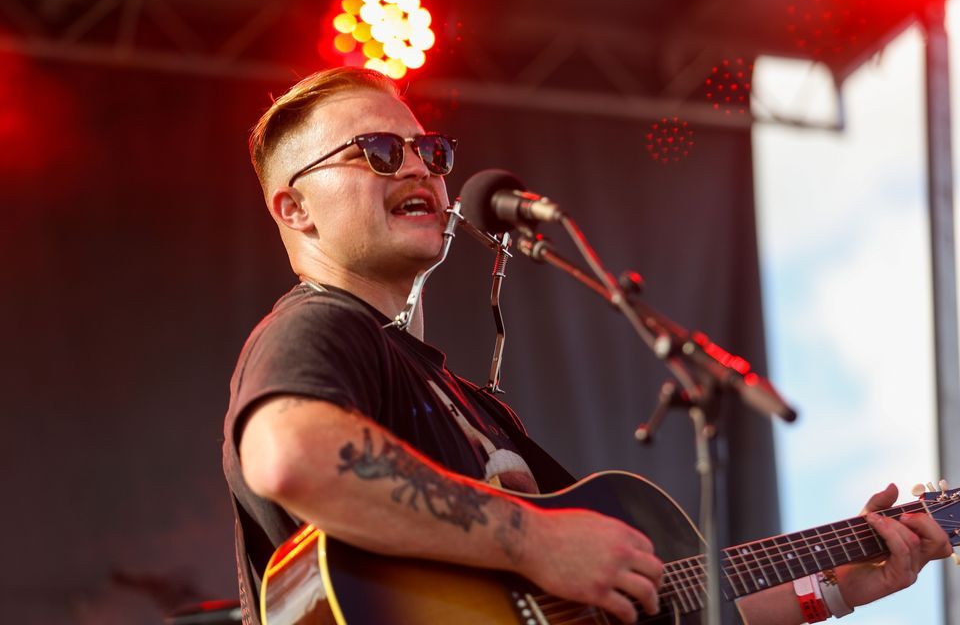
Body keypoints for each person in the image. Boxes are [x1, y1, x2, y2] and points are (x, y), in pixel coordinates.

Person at [222, 66, 951, 625]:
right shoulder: (321, 326)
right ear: (295, 208)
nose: (419, 168)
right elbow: (292, 454)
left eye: (430, 151)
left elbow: (658, 596)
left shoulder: (478, 412)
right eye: (379, 151)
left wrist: (839, 583)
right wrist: (536, 543)